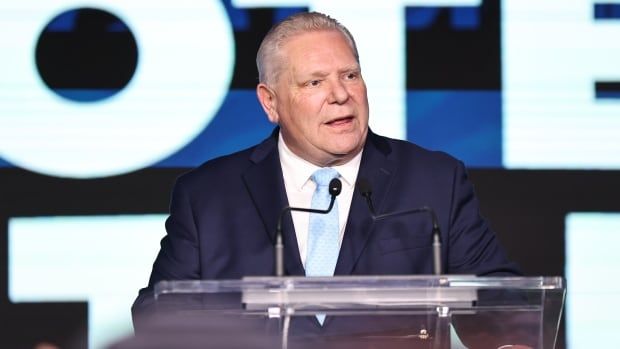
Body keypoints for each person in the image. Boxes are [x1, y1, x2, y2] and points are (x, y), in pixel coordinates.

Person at [132, 11, 522, 346]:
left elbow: (500, 302)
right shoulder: (208, 195)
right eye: (314, 82)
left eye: (350, 75)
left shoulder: (434, 180)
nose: (340, 94)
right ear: (270, 102)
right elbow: (160, 315)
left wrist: (509, 342)